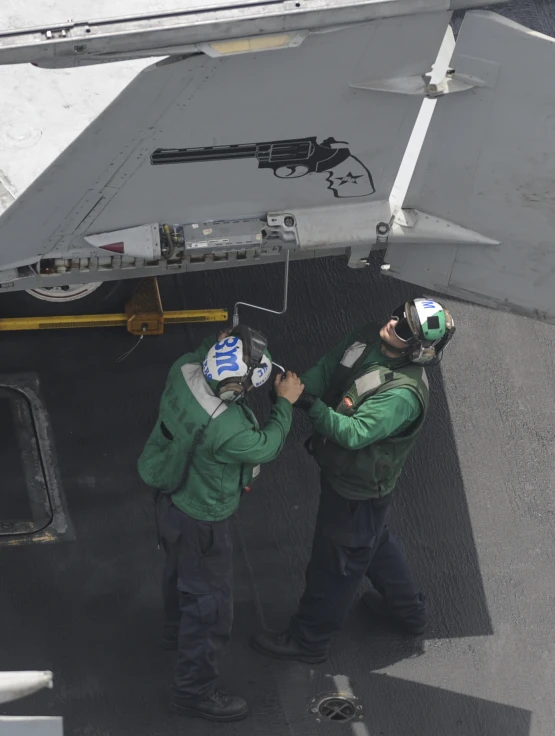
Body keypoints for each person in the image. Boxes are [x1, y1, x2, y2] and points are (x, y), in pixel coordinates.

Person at [250, 298, 456, 663]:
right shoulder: (367, 337)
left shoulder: (402, 395)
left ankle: (309, 641)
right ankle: (409, 612)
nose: (393, 322)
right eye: (398, 312)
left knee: (335, 564)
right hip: (350, 484)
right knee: (373, 542)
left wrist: (305, 404)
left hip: (356, 490)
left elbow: (354, 433)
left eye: (405, 328)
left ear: (419, 349)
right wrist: (296, 388)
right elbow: (330, 368)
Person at [138, 324, 303, 721]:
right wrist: (285, 403)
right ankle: (193, 692)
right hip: (203, 520)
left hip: (171, 501)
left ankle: (174, 631)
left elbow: (202, 352)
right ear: (235, 390)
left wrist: (227, 341)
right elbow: (268, 444)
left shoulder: (183, 371)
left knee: (177, 571)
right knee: (210, 609)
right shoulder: (230, 430)